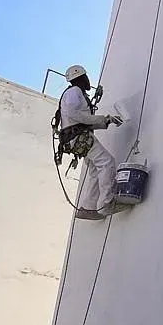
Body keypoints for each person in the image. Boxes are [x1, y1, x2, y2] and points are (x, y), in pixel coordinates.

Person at [59, 64, 122, 220]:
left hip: (75, 138)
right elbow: (74, 114)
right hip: (78, 137)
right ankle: (107, 203)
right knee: (106, 162)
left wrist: (107, 120)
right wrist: (102, 119)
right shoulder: (74, 91)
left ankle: (88, 207)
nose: (88, 81)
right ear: (80, 78)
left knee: (95, 169)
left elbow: (81, 121)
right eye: (86, 77)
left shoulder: (77, 93)